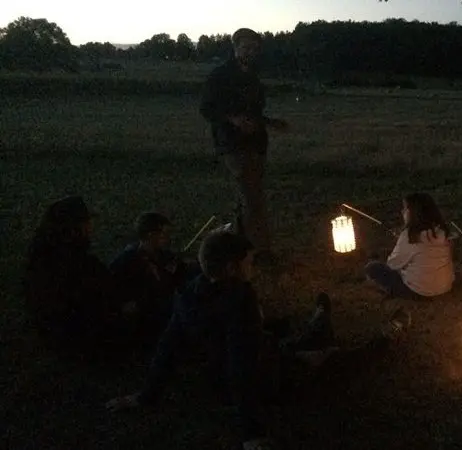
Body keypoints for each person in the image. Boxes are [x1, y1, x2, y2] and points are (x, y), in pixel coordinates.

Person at [106, 231, 410, 450]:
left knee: (302, 340)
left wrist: (145, 396)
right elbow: (242, 365)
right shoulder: (239, 300)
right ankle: (388, 336)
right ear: (231, 269)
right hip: (267, 378)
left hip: (242, 367)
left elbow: (168, 345)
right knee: (332, 356)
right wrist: (251, 432)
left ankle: (322, 314)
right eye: (249, 262)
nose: (253, 268)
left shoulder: (189, 291)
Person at [199, 27, 289, 260]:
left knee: (248, 196)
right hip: (232, 144)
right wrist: (233, 119)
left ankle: (237, 246)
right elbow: (207, 108)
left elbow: (256, 112)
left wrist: (270, 123)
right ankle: (260, 251)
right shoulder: (219, 75)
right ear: (235, 47)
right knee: (252, 197)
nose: (251, 52)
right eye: (246, 47)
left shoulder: (253, 78)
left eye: (254, 48)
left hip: (256, 143)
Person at [22, 196, 130, 354]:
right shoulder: (77, 263)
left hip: (50, 330)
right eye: (87, 222)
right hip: (76, 336)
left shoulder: (40, 257)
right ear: (75, 227)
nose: (91, 227)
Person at [108, 212, 191, 344]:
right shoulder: (126, 262)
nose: (169, 238)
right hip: (146, 322)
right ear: (151, 235)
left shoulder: (165, 256)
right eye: (165, 234)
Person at [365, 193, 455, 299]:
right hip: (445, 287)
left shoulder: (409, 236)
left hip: (419, 292)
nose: (402, 212)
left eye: (405, 208)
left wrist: (401, 241)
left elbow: (393, 264)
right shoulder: (442, 231)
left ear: (414, 213)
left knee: (372, 267)